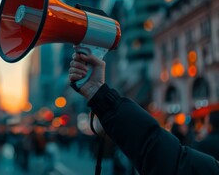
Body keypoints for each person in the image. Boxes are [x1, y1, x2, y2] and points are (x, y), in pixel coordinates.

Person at [68, 53, 219, 175]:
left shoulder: (203, 145)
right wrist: (101, 97)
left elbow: (164, 155)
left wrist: (103, 99)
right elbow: (170, 159)